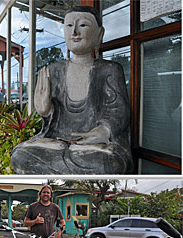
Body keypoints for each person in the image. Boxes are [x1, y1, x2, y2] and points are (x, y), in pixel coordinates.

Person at [11, 6, 133, 174]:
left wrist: (104, 131)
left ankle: (64, 164)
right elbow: (50, 119)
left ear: (99, 34)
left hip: (94, 146)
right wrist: (45, 110)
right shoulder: (53, 70)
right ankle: (66, 162)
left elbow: (118, 109)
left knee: (109, 164)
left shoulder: (110, 69)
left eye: (83, 25)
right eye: (69, 26)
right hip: (57, 142)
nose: (74, 32)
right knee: (20, 156)